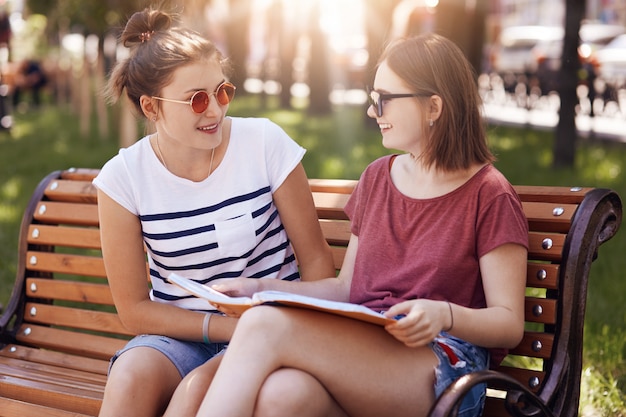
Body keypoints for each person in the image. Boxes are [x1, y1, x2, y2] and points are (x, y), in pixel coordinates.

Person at [168, 33, 530, 417]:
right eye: (373, 98)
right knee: (283, 394)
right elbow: (346, 288)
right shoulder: (377, 178)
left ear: (433, 106)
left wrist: (446, 314)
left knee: (262, 326)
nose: (374, 111)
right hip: (367, 352)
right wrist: (257, 288)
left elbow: (509, 324)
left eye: (385, 99)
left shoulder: (490, 195)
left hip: (444, 370)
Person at [93, 6, 335, 417]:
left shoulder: (263, 143)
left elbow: (315, 261)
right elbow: (134, 309)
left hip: (274, 329)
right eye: (197, 100)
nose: (215, 111)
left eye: (222, 92)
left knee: (197, 393)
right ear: (151, 108)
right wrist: (221, 327)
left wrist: (287, 330)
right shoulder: (123, 178)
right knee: (132, 375)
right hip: (181, 336)